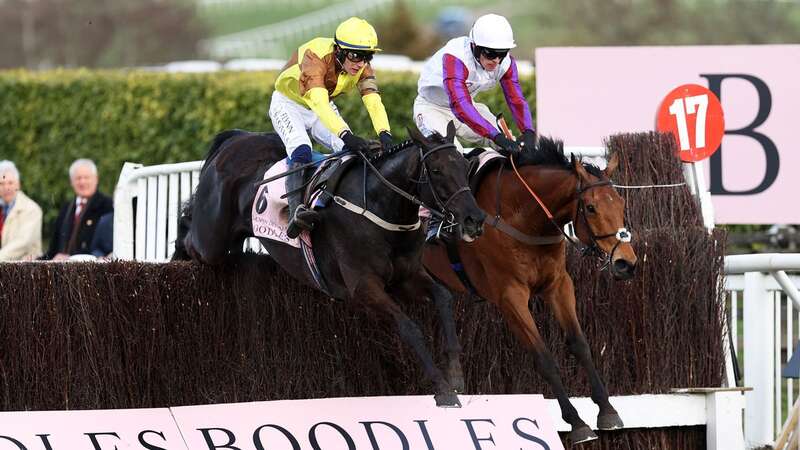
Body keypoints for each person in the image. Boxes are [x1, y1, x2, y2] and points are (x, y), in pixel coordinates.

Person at [414, 13, 537, 242]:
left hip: (467, 107)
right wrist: (495, 136)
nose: (496, 61)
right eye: (490, 54)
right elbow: (460, 107)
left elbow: (516, 99)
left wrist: (528, 132)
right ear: (474, 46)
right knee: (450, 157)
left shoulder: (505, 62)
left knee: (510, 145)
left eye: (501, 54)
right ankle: (431, 217)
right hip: (433, 109)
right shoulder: (455, 57)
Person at [269, 16, 393, 238]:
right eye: (355, 55)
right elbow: (319, 103)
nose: (360, 63)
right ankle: (296, 211)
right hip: (289, 104)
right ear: (339, 50)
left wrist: (385, 133)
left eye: (367, 56)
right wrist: (346, 134)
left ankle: (327, 201)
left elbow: (373, 100)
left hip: (319, 106)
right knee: (301, 150)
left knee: (349, 152)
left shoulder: (362, 67)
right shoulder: (316, 56)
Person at [42, 159, 113, 260]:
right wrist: (35, 260)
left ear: (96, 179)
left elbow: (104, 248)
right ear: (71, 182)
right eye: (78, 178)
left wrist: (72, 258)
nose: (82, 182)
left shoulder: (107, 206)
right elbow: (53, 249)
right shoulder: (66, 208)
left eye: (86, 177)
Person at [0, 160, 43, 261]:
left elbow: (23, 242)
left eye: (10, 183)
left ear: (18, 185)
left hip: (25, 269)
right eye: (1, 183)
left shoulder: (32, 209)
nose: (6, 187)